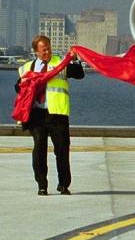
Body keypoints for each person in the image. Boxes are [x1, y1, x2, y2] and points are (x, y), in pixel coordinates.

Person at [15, 35, 84, 196]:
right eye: (43, 49)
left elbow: (79, 74)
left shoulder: (60, 63)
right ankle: (42, 185)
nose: (47, 52)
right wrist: (26, 87)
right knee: (39, 149)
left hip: (57, 113)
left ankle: (63, 184)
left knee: (62, 150)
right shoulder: (27, 68)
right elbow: (18, 87)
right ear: (36, 51)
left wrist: (75, 59)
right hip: (37, 114)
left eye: (48, 48)